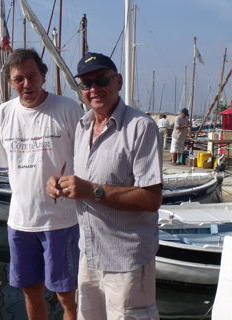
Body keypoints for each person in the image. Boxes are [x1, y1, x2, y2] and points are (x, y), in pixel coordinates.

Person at [46, 52, 162, 320]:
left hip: (127, 261)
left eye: (101, 80)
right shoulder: (83, 126)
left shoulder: (141, 127)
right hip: (89, 255)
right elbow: (82, 179)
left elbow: (151, 198)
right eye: (86, 84)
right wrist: (58, 185)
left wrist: (92, 191)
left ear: (118, 82)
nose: (94, 89)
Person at [0, 48, 83, 320]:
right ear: (10, 82)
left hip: (62, 221)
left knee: (67, 295)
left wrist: (69, 181)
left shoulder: (68, 109)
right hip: (19, 221)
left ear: (43, 76)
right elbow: (8, 166)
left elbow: (87, 162)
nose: (26, 84)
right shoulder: (2, 115)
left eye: (32, 76)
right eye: (19, 79)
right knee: (31, 291)